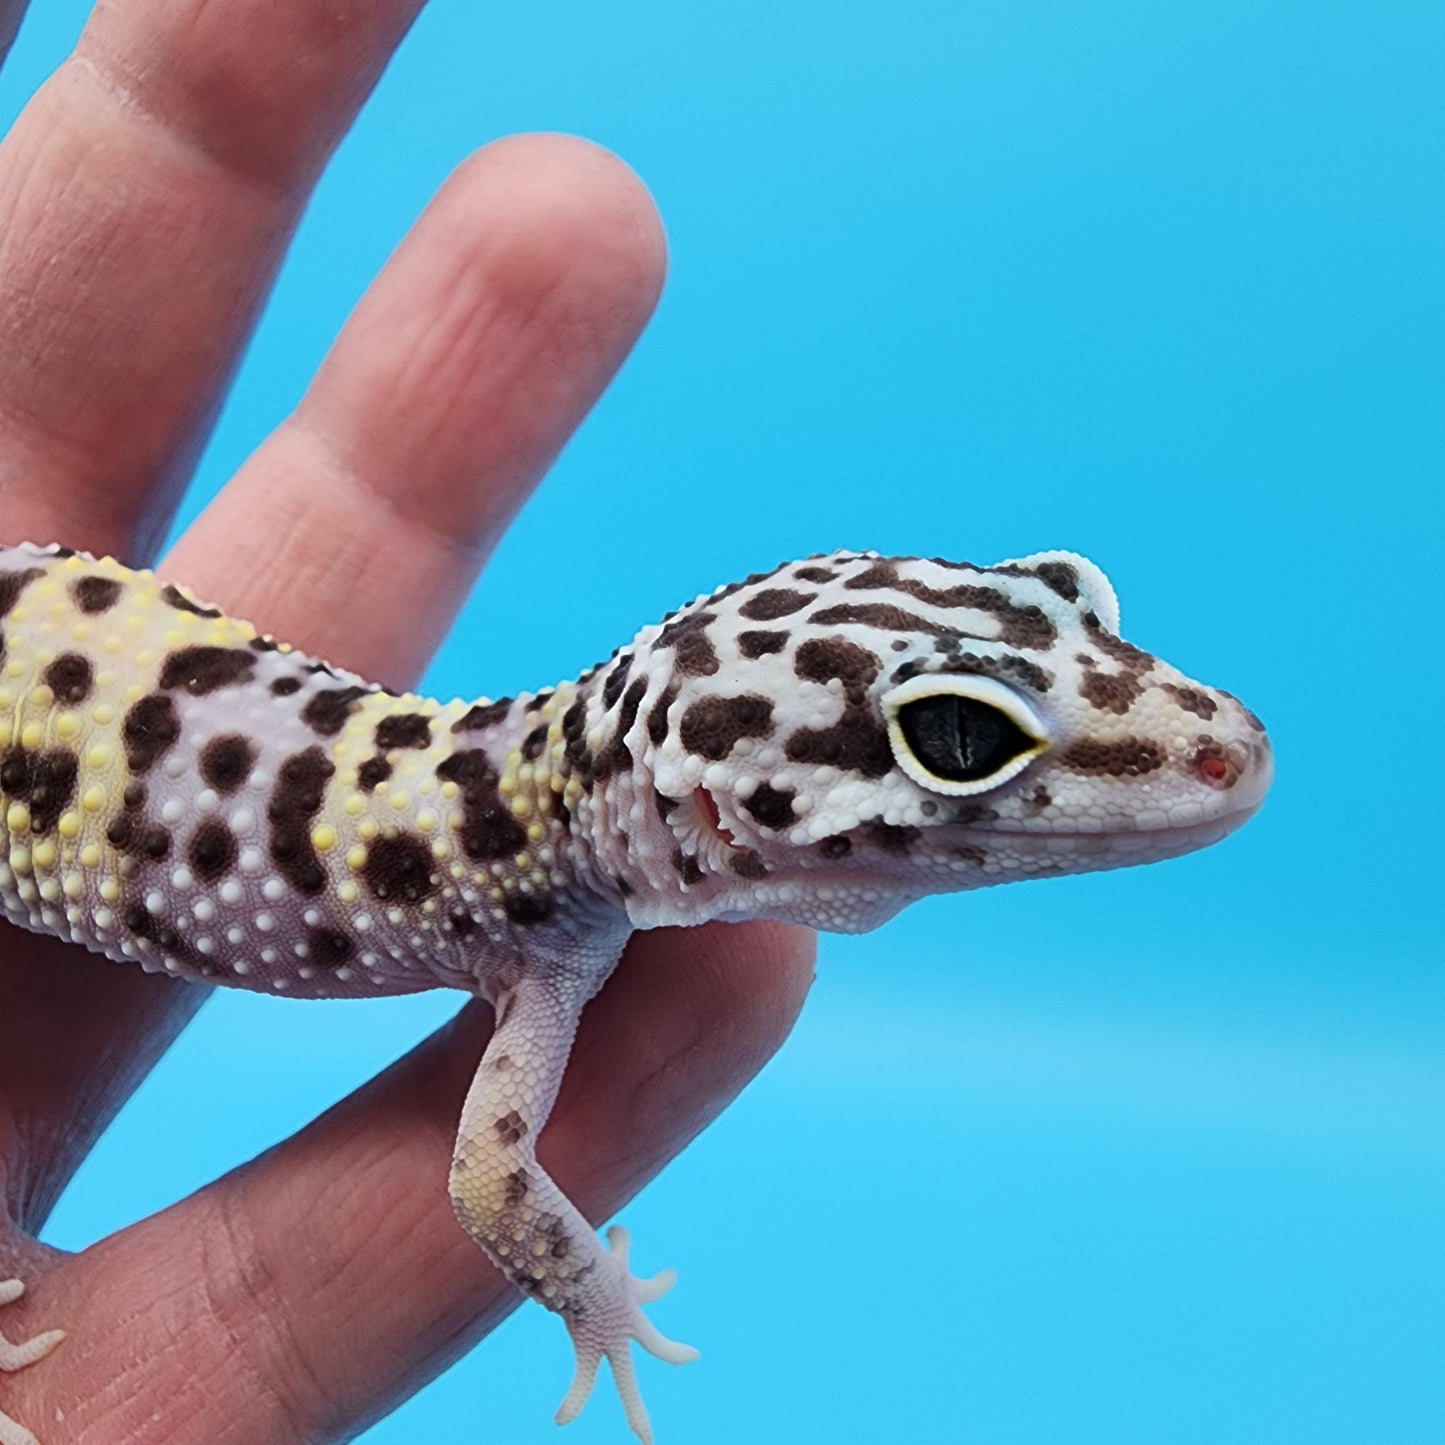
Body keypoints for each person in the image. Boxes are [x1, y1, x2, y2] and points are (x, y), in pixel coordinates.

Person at [0, 4, 814, 1438]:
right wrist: (590, 1296)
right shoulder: (545, 952)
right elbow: (491, 1180)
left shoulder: (547, 849)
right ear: (702, 813)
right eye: (959, 750)